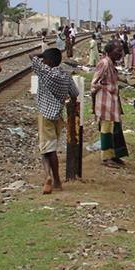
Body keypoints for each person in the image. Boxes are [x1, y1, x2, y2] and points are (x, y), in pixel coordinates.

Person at [30, 47, 79, 193]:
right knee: (51, 147)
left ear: (48, 61)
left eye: (45, 59)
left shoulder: (45, 72)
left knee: (46, 150)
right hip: (58, 115)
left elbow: (31, 56)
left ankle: (50, 178)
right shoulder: (65, 75)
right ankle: (55, 180)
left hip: (44, 115)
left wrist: (41, 55)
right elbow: (74, 94)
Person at [90, 39, 128, 167]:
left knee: (115, 127)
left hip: (112, 101)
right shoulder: (104, 63)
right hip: (105, 101)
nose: (120, 53)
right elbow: (94, 83)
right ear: (110, 51)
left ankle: (114, 154)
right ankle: (106, 157)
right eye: (118, 51)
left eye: (121, 51)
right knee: (106, 129)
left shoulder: (111, 63)